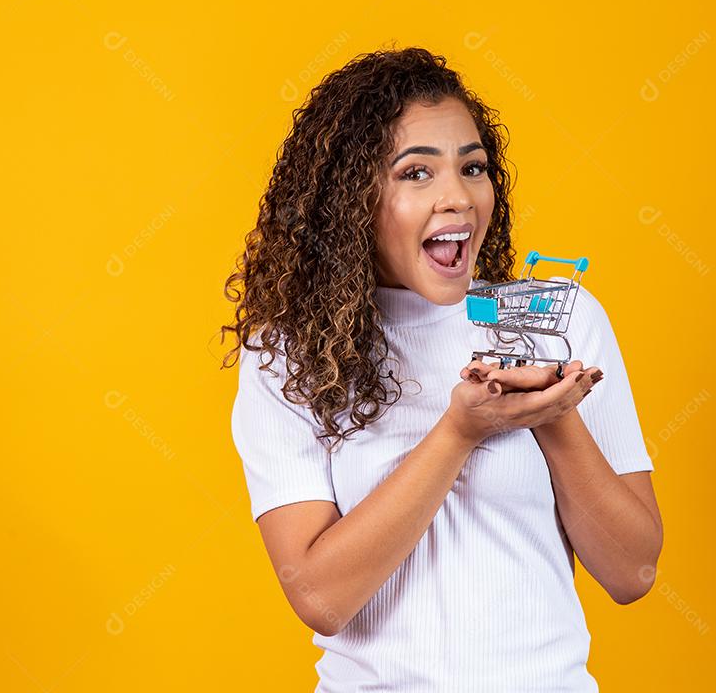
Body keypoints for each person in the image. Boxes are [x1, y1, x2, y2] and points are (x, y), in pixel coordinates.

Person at [221, 46, 663, 691]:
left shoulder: (557, 318)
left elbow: (633, 573)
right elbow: (320, 598)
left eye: (473, 167)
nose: (457, 197)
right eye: (416, 173)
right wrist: (460, 431)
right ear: (349, 201)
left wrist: (552, 414)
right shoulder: (288, 355)